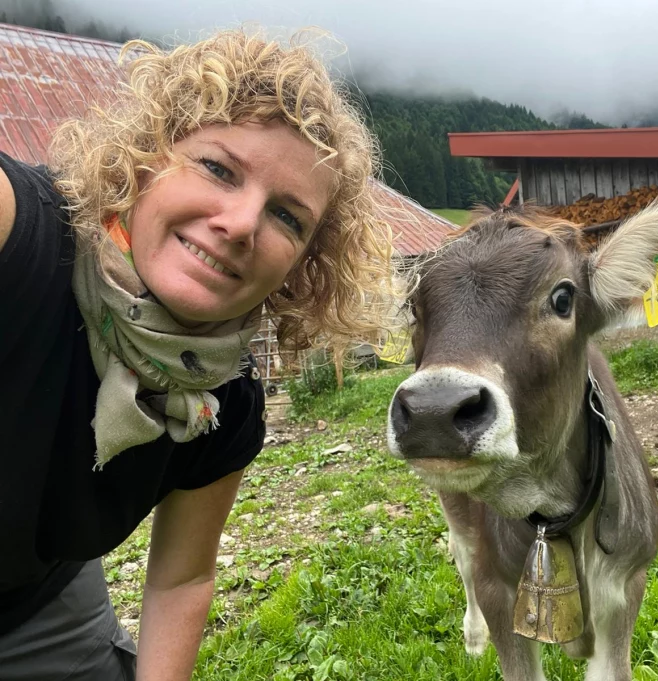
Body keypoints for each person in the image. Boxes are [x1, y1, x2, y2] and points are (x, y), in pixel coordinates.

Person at [0, 28, 392, 680]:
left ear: (303, 267)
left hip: (44, 603)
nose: (241, 224)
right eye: (217, 168)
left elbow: (181, 579)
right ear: (147, 156)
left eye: (288, 217)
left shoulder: (225, 404)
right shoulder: (22, 235)